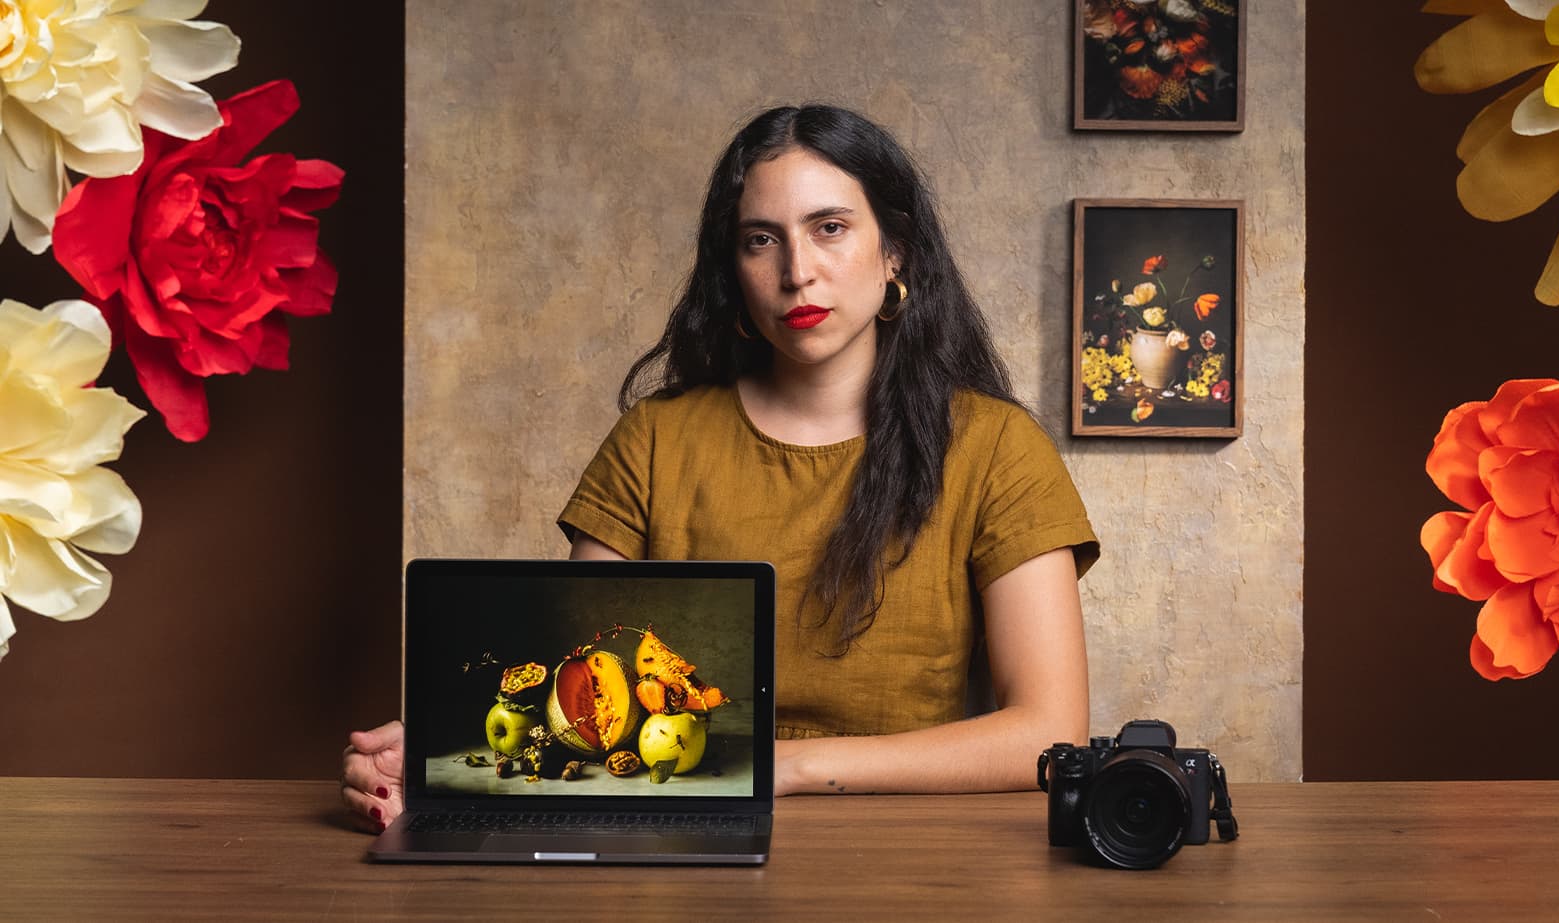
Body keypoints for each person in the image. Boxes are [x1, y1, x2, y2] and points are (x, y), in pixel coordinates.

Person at [342, 104, 1099, 832]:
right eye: (761, 240)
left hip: (910, 851)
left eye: (830, 228)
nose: (797, 271)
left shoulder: (997, 448)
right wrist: (453, 755)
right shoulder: (654, 440)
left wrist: (784, 767)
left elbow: (1048, 729)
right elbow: (585, 687)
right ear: (733, 267)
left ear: (895, 249)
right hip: (677, 834)